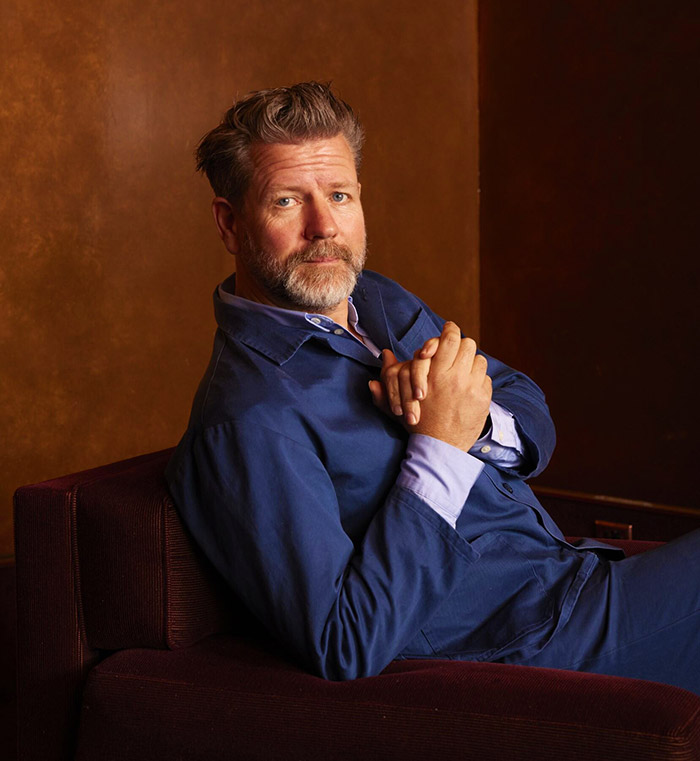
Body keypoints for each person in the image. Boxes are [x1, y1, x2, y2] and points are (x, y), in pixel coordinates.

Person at [165, 82, 699, 691]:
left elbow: (528, 408)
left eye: (338, 195)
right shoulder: (246, 417)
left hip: (573, 578)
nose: (324, 227)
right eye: (287, 201)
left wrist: (472, 422)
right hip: (534, 647)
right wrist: (439, 446)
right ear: (230, 224)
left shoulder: (374, 298)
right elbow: (344, 642)